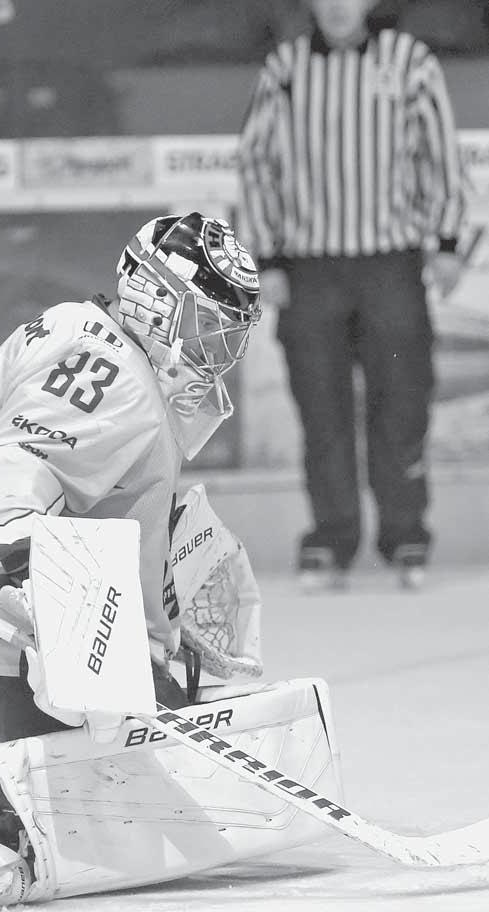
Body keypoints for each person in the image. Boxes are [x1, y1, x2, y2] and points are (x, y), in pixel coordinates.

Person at [0, 212, 269, 903]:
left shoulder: (88, 337)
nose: (218, 349)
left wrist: (175, 614)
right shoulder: (112, 369)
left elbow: (113, 507)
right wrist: (36, 602)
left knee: (163, 713)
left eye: (229, 332)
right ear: (154, 298)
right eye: (209, 325)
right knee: (135, 770)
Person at [237, 0, 466, 590]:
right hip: (310, 269)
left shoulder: (409, 61)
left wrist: (444, 242)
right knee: (322, 409)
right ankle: (332, 539)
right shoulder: (285, 68)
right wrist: (268, 257)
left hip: (390, 265)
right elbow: (257, 162)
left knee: (402, 401)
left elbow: (440, 154)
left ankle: (405, 533)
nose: (339, 7)